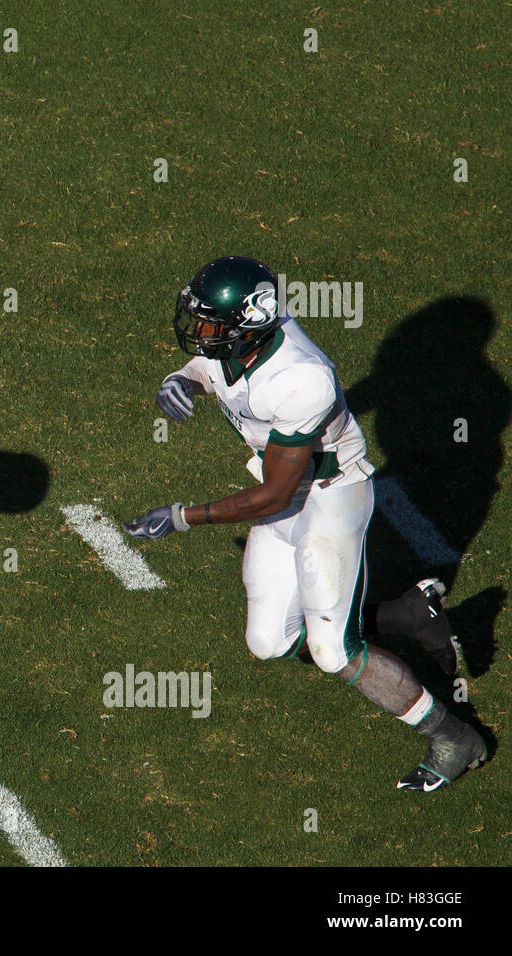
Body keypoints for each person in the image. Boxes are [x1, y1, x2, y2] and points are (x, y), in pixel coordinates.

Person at [124, 255, 486, 791]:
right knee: (269, 640)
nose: (198, 331)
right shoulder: (246, 342)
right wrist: (181, 377)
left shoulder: (299, 379)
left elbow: (273, 494)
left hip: (328, 496)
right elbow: (210, 365)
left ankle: (455, 737)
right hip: (287, 487)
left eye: (208, 323)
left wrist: (182, 517)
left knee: (332, 650)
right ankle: (409, 613)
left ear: (245, 328)